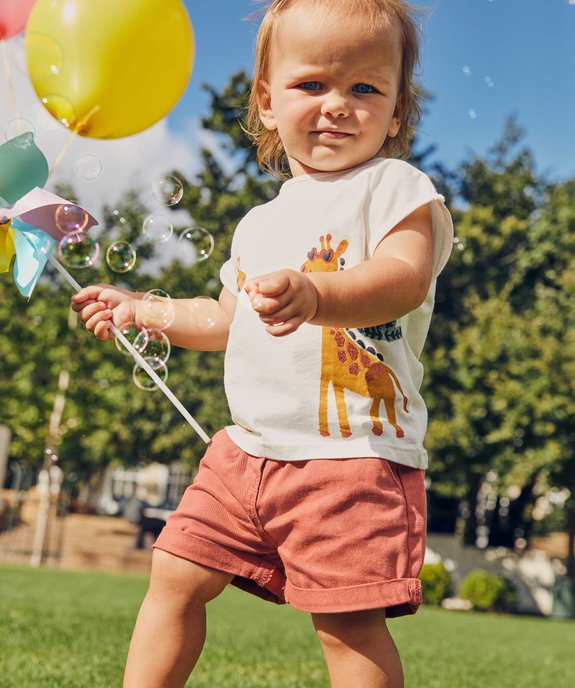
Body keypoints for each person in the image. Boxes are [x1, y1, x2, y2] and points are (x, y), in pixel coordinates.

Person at [72, 1, 453, 686]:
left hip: (351, 456)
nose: (338, 105)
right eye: (313, 85)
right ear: (267, 102)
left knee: (346, 624)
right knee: (174, 571)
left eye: (365, 88)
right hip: (245, 453)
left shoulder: (396, 188)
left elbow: (402, 277)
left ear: (396, 111)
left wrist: (317, 295)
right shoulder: (258, 223)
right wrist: (145, 310)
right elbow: (225, 319)